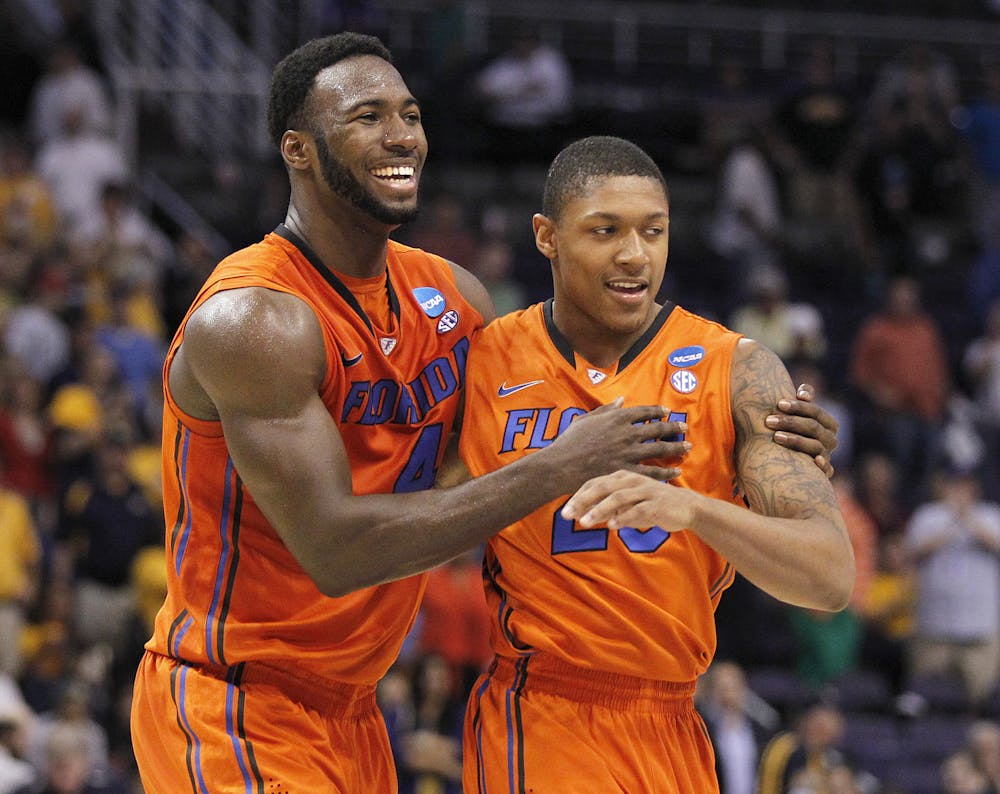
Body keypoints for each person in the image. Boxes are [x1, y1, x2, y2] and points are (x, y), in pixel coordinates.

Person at [128, 35, 838, 793]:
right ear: (298, 150)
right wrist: (568, 460)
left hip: (358, 708)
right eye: (367, 117)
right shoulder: (255, 319)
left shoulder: (455, 304)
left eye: (409, 113)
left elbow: (509, 434)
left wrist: (766, 441)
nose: (401, 135)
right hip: (233, 690)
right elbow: (336, 553)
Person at [457, 135, 853, 792]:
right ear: (547, 237)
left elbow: (831, 577)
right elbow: (399, 502)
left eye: (653, 231)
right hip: (541, 711)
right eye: (605, 230)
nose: (634, 254)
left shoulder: (739, 371)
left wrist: (697, 510)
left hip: (673, 718)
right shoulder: (488, 359)